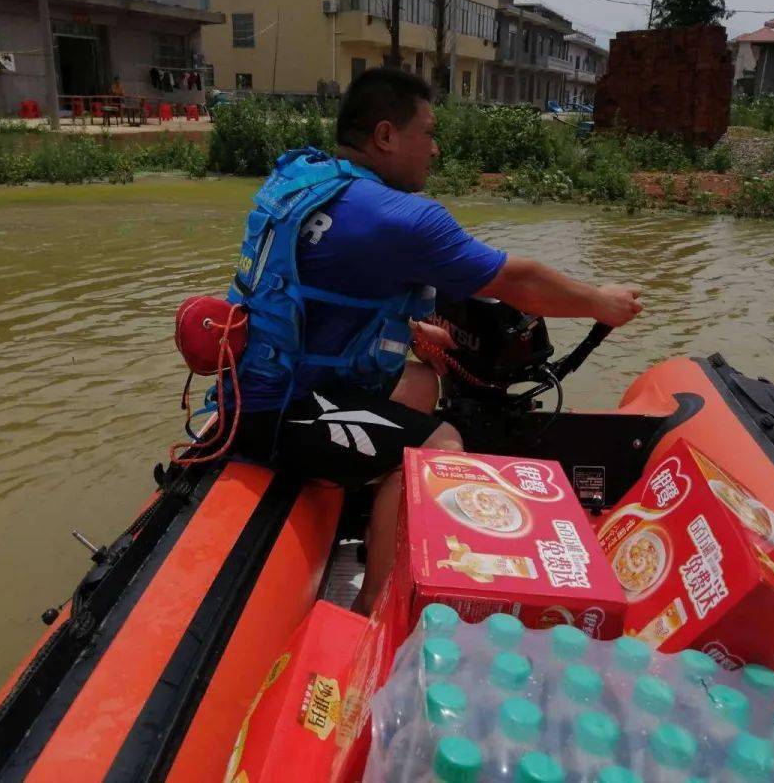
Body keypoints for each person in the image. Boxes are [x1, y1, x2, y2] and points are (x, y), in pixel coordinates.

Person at [228, 68, 642, 614]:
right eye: (427, 132)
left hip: (255, 391)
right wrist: (600, 302)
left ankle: (367, 510)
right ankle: (375, 611)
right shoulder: (401, 216)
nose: (436, 147)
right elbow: (520, 282)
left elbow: (322, 294)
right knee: (439, 443)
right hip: (282, 416)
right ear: (385, 136)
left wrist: (406, 332)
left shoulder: (310, 183)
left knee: (422, 379)